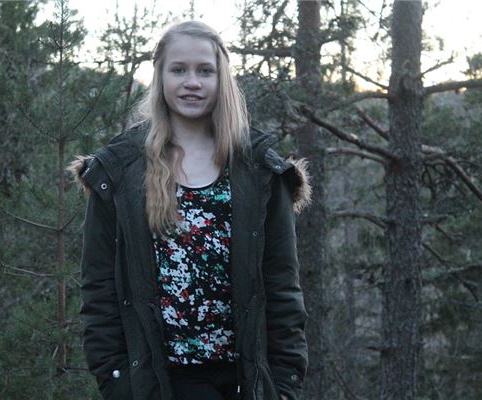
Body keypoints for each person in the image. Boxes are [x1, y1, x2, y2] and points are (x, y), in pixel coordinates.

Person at [69, 21, 311, 400]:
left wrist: (283, 385)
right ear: (160, 76)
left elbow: (282, 288)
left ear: (221, 78)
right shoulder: (120, 171)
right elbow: (98, 289)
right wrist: (117, 381)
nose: (192, 82)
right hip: (157, 384)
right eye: (179, 69)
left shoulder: (259, 171)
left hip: (242, 382)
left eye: (205, 71)